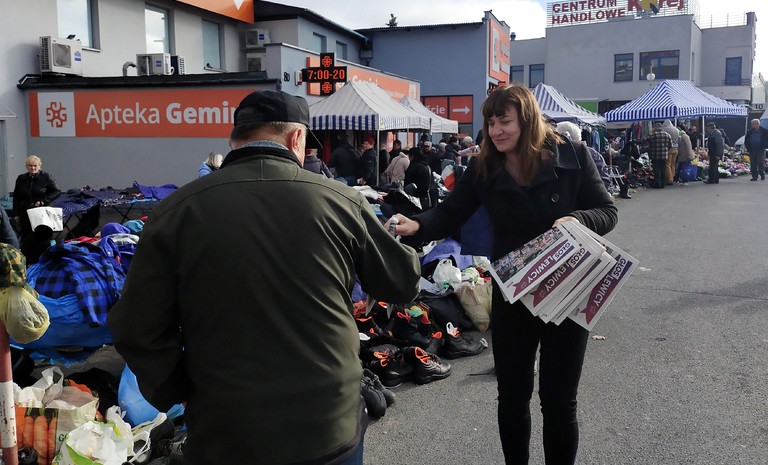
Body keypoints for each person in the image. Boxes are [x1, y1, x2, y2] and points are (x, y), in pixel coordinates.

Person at [107, 90, 421, 465]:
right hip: (328, 423)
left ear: (234, 140)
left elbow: (135, 327)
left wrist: (177, 389)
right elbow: (402, 281)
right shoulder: (342, 201)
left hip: (225, 430)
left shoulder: (175, 212)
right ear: (297, 138)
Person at [388, 84, 617, 465]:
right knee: (512, 395)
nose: (495, 131)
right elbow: (450, 212)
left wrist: (579, 218)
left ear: (527, 120)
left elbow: (607, 211)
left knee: (559, 400)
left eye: (504, 121)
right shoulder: (484, 167)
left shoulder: (573, 155)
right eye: (490, 123)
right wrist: (417, 225)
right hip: (514, 292)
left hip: (566, 292)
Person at [12, 155, 61, 257]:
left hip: (41, 213)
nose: (33, 168)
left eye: (35, 165)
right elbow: (16, 197)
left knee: (42, 238)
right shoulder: (21, 178)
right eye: (30, 165)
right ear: (26, 166)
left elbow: (57, 191)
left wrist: (43, 201)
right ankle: (26, 259)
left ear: (39, 166)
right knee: (26, 238)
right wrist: (16, 214)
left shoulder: (46, 177)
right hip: (25, 212)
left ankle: (45, 258)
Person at [642, 122, 672, 188]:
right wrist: (665, 150)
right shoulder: (667, 135)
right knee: (663, 169)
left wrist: (650, 149)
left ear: (655, 128)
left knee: (656, 169)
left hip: (654, 155)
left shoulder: (651, 136)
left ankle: (658, 183)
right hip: (664, 155)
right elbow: (670, 145)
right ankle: (663, 183)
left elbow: (646, 144)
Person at [403, 146, 433, 210]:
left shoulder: (414, 166)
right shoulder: (426, 165)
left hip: (415, 199)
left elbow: (408, 183)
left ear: (412, 156)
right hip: (426, 198)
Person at [662, 119, 680, 185]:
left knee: (667, 164)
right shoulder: (676, 129)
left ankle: (669, 179)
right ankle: (672, 176)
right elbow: (679, 139)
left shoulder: (665, 130)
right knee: (673, 164)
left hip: (669, 148)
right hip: (676, 148)